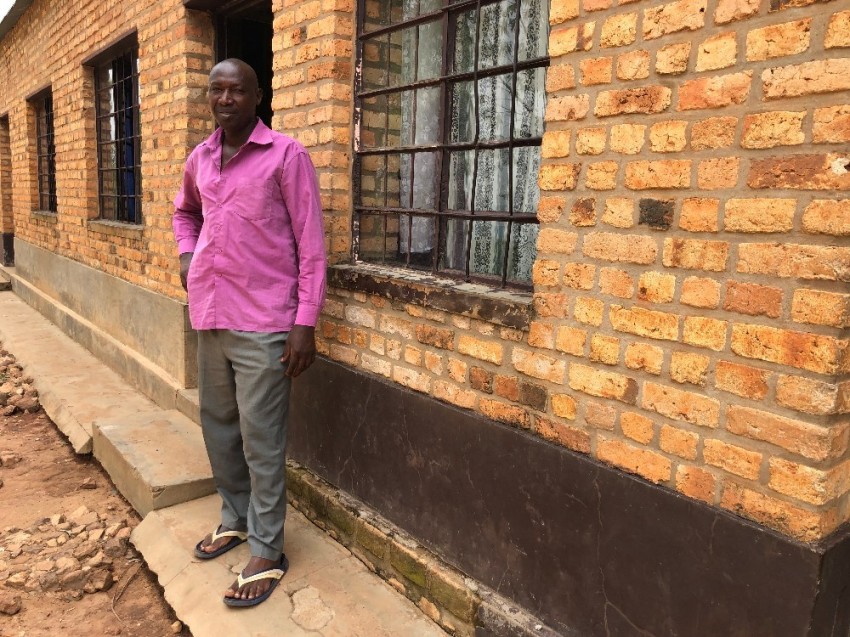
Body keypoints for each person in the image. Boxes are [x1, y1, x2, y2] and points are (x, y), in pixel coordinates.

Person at [172, 58, 326, 608]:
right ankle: (235, 518)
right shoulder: (200, 158)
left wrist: (304, 322)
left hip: (265, 322)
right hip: (210, 314)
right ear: (209, 97)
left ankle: (267, 548)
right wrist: (187, 256)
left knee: (262, 438)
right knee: (218, 426)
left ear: (257, 96)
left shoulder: (286, 155)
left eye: (237, 90)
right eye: (217, 90)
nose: (226, 99)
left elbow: (310, 244)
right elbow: (183, 213)